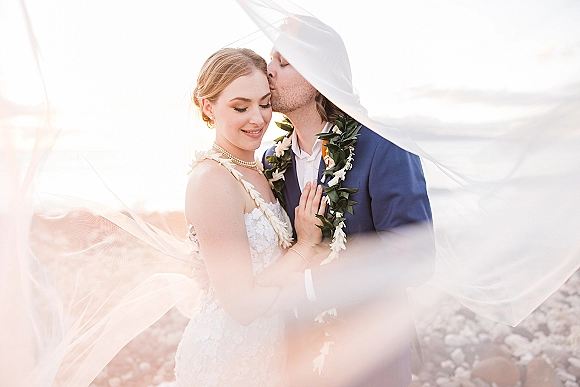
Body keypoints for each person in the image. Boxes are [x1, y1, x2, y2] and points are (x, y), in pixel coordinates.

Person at [259, 16, 435, 387]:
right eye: (270, 60)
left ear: (319, 73)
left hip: (370, 357)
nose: (267, 71)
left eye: (283, 62)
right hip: (293, 356)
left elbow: (416, 257)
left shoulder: (384, 146)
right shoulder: (271, 162)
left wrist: (310, 285)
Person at [173, 47, 328, 386]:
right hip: (228, 359)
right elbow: (242, 305)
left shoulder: (259, 170)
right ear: (207, 107)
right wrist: (304, 246)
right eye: (240, 107)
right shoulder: (211, 182)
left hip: (268, 349)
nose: (257, 119)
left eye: (265, 103)